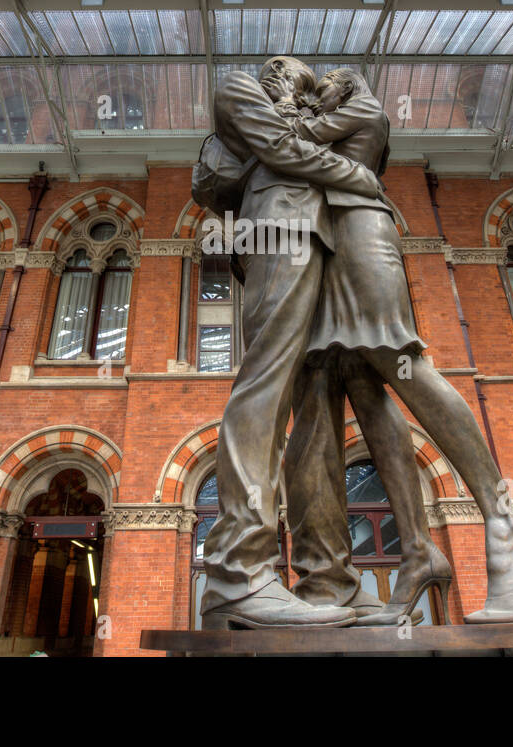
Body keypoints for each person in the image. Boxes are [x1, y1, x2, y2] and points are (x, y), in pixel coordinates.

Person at [282, 69, 513, 624]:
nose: (318, 93)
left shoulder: (366, 113)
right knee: (362, 385)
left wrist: (288, 106)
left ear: (349, 85)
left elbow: (292, 143)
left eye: (327, 83)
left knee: (401, 363)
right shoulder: (338, 120)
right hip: (329, 244)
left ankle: (506, 522)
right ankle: (416, 552)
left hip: (361, 233)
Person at [199, 57, 384, 629]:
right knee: (266, 387)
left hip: (325, 242)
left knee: (320, 411)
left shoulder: (306, 113)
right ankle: (236, 571)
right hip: (277, 230)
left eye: (304, 83)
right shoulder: (236, 88)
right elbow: (277, 150)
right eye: (284, 71)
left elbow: (316, 136)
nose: (290, 80)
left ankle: (329, 579)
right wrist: (358, 179)